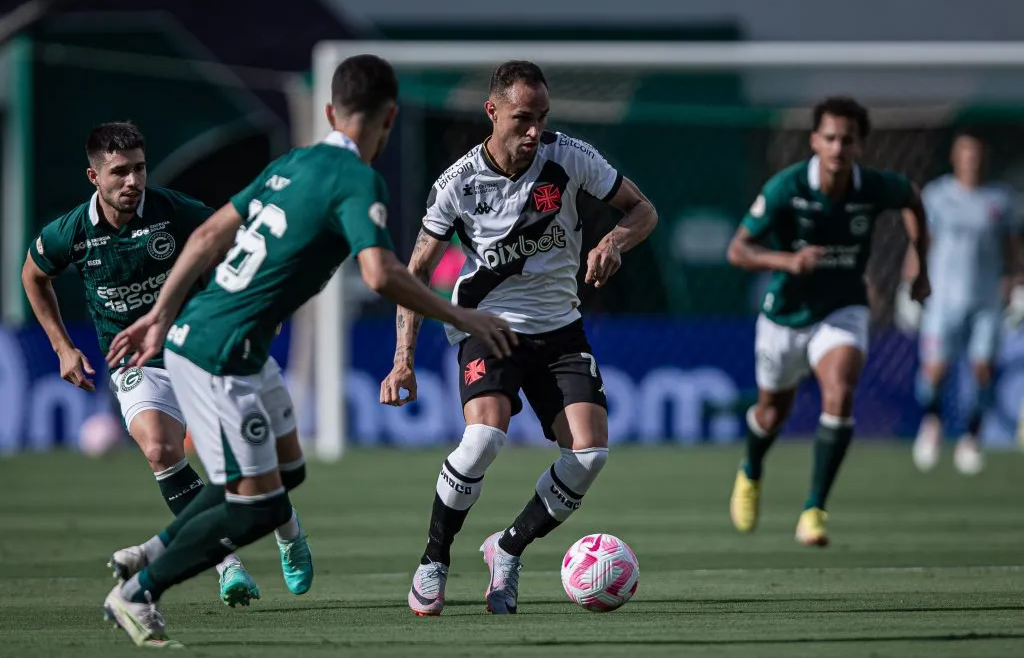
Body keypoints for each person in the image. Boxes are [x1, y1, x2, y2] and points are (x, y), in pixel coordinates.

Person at [99, 54, 515, 648]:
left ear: (329, 112)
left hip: (227, 344)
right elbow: (379, 274)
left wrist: (160, 315)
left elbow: (210, 234)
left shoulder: (293, 162)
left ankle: (149, 551)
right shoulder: (358, 180)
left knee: (287, 470)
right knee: (258, 508)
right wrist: (461, 314)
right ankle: (140, 591)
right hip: (220, 356)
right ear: (390, 118)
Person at [379, 60, 658, 616]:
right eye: (523, 118)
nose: (535, 131)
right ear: (492, 111)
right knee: (484, 438)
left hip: (560, 329)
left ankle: (506, 550)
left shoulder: (570, 158)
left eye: (542, 118)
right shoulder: (458, 183)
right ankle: (434, 560)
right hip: (488, 325)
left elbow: (642, 210)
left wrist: (612, 243)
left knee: (590, 454)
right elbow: (415, 274)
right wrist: (402, 359)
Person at [20, 122, 308, 608]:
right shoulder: (71, 232)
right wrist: (62, 347)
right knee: (159, 448)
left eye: (139, 169)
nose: (132, 181)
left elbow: (237, 244)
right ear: (94, 177)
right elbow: (33, 274)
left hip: (200, 348)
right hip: (136, 360)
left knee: (248, 462)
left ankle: (289, 532)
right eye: (119, 172)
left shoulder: (175, 211)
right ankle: (225, 563)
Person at [726, 96, 930, 547]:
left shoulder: (872, 186)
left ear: (860, 145)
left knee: (840, 392)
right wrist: (788, 261)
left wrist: (921, 266)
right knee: (771, 413)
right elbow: (737, 250)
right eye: (831, 138)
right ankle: (751, 469)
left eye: (847, 140)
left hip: (843, 308)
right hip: (785, 314)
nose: (839, 148)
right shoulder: (787, 187)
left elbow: (913, 200)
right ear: (815, 141)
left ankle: (814, 509)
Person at [909, 131, 1021, 475]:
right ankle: (932, 423)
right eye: (966, 154)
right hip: (943, 300)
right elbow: (921, 242)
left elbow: (1012, 249)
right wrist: (909, 283)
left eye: (977, 155)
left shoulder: (999, 200)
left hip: (986, 301)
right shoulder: (937, 196)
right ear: (955, 158)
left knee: (982, 369)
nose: (971, 161)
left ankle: (972, 436)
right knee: (935, 370)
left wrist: (1017, 283)